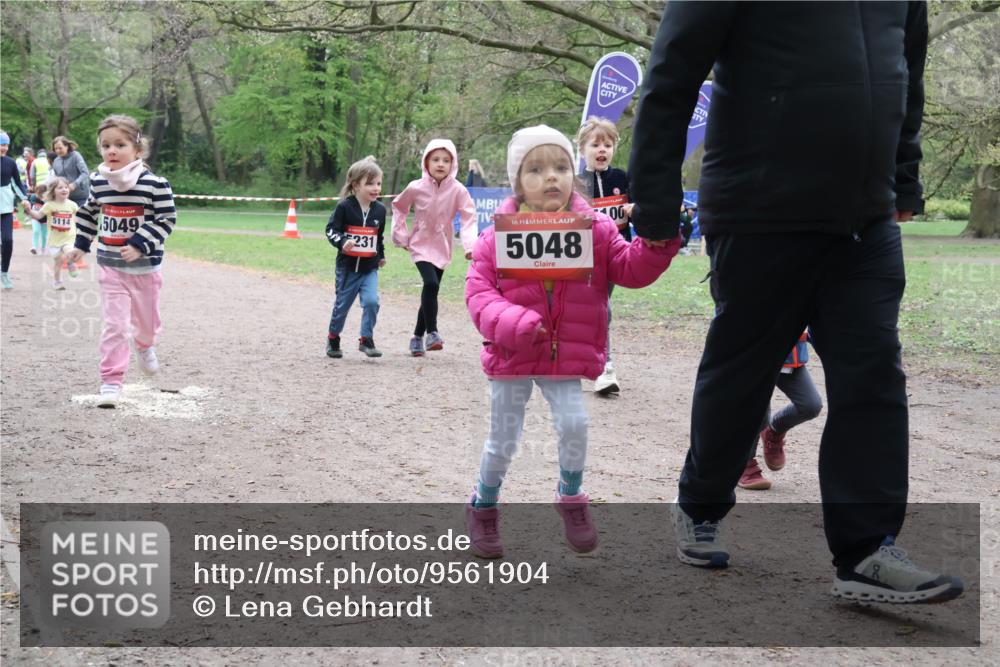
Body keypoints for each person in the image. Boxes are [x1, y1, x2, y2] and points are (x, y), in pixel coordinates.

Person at [628, 2, 963, 603]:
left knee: (873, 376)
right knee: (742, 374)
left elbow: (907, 72)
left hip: (864, 218)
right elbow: (671, 76)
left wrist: (904, 176)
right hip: (759, 210)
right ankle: (701, 502)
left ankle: (866, 554)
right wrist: (654, 201)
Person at [463, 125, 681, 558]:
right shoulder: (496, 236)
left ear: (573, 173)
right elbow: (479, 295)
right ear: (517, 182)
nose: (551, 177)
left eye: (561, 166)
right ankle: (483, 507)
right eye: (537, 169)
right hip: (513, 353)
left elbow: (628, 268)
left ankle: (571, 497)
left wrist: (657, 244)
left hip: (563, 355)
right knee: (504, 439)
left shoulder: (596, 229)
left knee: (575, 423)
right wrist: (516, 323)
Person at [65, 115, 177, 408]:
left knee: (147, 325)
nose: (111, 151)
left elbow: (167, 219)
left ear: (137, 150)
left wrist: (140, 243)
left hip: (145, 270)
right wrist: (80, 245)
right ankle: (111, 382)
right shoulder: (99, 182)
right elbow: (89, 213)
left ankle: (145, 345)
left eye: (119, 144)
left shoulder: (155, 185)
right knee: (115, 326)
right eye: (105, 146)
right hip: (111, 267)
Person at [391, 139, 476, 356]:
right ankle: (433, 332)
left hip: (442, 244)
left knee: (432, 289)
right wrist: (401, 236)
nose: (440, 164)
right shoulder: (415, 187)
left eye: (446, 160)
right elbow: (399, 207)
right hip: (419, 243)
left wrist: (470, 246)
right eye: (436, 159)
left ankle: (416, 337)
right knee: (430, 282)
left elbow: (468, 218)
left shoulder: (458, 190)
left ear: (453, 164)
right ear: (426, 162)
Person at [575, 116, 634, 396]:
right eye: (595, 144)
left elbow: (639, 206)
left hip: (615, 254)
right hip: (583, 258)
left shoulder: (622, 179)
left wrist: (634, 209)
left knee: (603, 308)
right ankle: (598, 363)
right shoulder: (575, 183)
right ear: (582, 149)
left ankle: (603, 365)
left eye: (608, 145)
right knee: (592, 310)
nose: (602, 150)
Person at [738, 331, 823, 490]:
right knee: (759, 407)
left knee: (810, 405)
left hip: (789, 356)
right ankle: (744, 464)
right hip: (754, 353)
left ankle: (773, 431)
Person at [324, 156, 387, 359]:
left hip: (369, 267)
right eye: (370, 183)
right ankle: (333, 337)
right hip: (348, 268)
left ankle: (366, 339)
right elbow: (331, 230)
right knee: (342, 306)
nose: (376, 188)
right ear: (355, 185)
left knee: (371, 301)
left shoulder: (380, 210)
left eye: (378, 183)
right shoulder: (344, 207)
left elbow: (379, 236)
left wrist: (381, 255)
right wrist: (343, 242)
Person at [22, 178, 79, 289]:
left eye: (66, 187)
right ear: (53, 191)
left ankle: (71, 262)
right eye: (60, 187)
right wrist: (29, 210)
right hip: (54, 240)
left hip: (69, 237)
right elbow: (38, 216)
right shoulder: (49, 205)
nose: (64, 189)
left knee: (69, 251)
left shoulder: (73, 205)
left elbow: (77, 219)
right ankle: (57, 282)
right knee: (58, 262)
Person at [1, 130, 29, 289]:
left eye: (5, 145)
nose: (3, 148)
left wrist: (25, 198)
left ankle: (4, 272)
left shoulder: (10, 162)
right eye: (1, 144)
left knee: (8, 240)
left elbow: (18, 184)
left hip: (5, 206)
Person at [50, 136, 90, 208]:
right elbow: (57, 180)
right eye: (56, 149)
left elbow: (85, 173)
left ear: (66, 146)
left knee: (80, 218)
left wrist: (75, 184)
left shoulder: (76, 156)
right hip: (66, 198)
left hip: (81, 196)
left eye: (60, 148)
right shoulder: (56, 161)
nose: (58, 151)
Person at [27, 183, 49, 255]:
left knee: (44, 235)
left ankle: (43, 248)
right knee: (36, 231)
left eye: (41, 195)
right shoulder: (33, 197)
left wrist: (45, 200)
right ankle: (34, 247)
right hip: (35, 218)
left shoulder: (48, 200)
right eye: (38, 194)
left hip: (45, 220)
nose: (39, 197)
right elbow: (28, 206)